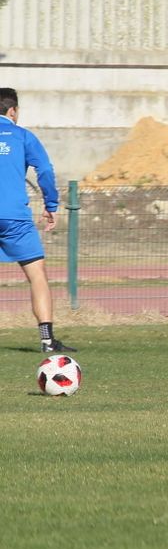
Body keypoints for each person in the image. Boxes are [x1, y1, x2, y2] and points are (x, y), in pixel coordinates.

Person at [0, 89, 73, 354]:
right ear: (13, 111)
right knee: (37, 276)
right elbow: (44, 169)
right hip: (15, 219)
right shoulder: (22, 136)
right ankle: (46, 340)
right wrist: (50, 205)